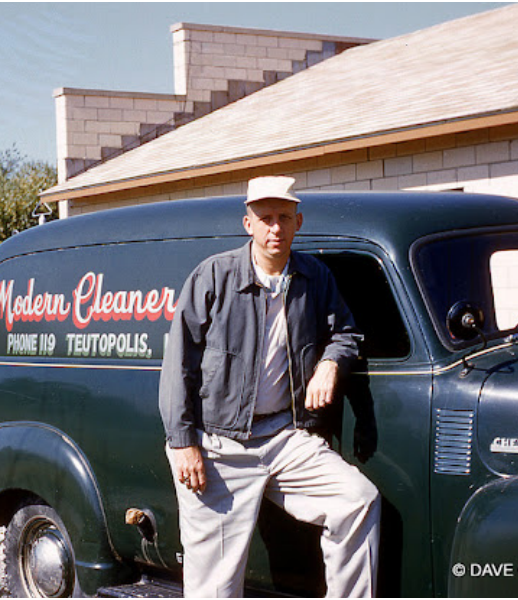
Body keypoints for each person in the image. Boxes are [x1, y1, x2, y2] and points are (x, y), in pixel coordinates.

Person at [159, 176, 380, 597]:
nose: (274, 228)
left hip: (286, 436)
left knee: (358, 500)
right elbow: (178, 364)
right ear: (248, 224)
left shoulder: (315, 277)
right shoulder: (214, 276)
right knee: (214, 584)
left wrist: (331, 364)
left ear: (298, 222)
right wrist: (183, 442)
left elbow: (346, 333)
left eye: (283, 217)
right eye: (265, 218)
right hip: (219, 446)